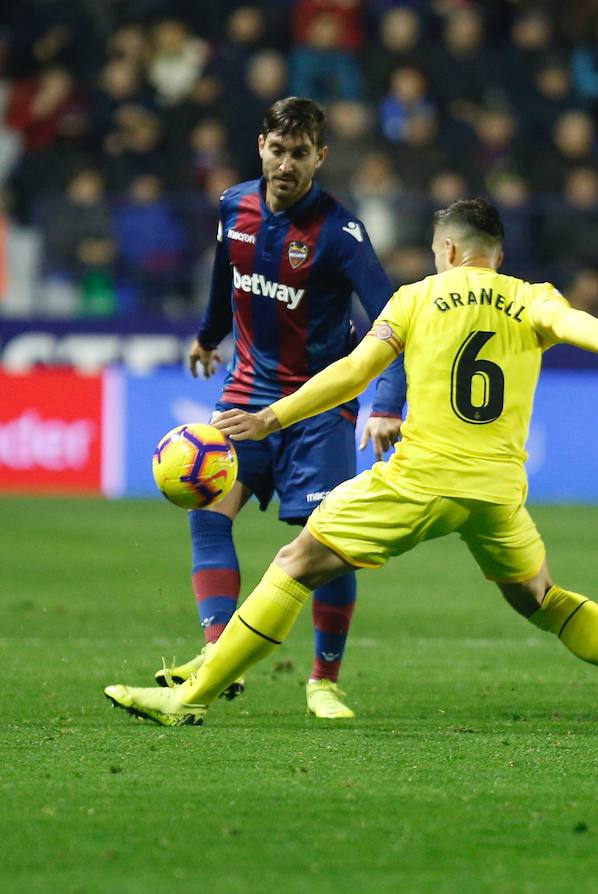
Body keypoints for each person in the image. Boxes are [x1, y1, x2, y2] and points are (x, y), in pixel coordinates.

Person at [106, 198, 598, 733]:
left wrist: (270, 419)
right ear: (496, 253)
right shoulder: (530, 298)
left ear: (452, 252)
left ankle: (187, 700)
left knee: (294, 563)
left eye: (440, 252)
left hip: (418, 480)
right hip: (497, 494)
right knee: (541, 599)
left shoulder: (415, 299)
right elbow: (569, 321)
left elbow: (353, 373)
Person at [152, 96, 405, 719]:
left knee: (328, 541)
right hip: (245, 391)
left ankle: (323, 680)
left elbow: (396, 321)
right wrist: (210, 335)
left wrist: (386, 401)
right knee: (208, 510)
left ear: (320, 156)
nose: (285, 164)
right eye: (276, 149)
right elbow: (226, 276)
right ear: (260, 146)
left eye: (299, 153)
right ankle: (218, 652)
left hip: (319, 406)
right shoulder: (232, 205)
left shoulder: (341, 234)